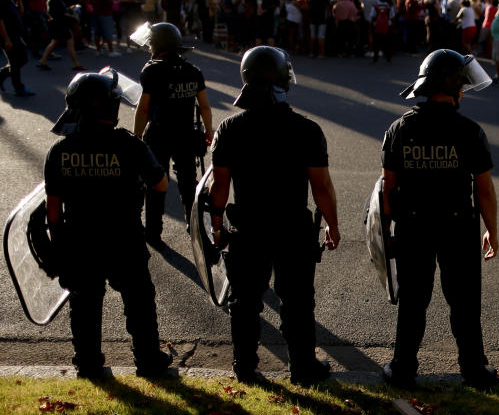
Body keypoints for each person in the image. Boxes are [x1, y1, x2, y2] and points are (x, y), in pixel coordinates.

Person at [209, 46, 340, 385]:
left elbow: (219, 185)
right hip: (292, 227)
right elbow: (321, 186)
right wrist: (332, 225)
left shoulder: (230, 128)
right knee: (297, 301)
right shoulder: (306, 129)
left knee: (245, 301)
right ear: (284, 81)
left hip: (248, 226)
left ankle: (245, 368)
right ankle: (303, 368)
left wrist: (216, 223)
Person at [381, 50, 499, 389]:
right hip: (458, 225)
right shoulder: (470, 131)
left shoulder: (399, 128)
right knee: (464, 302)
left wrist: (388, 232)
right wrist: (491, 231)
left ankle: (402, 369)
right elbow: (485, 191)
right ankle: (474, 369)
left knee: (413, 302)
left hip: (412, 225)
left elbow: (387, 189)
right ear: (455, 87)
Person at [45, 69, 173, 379]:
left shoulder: (60, 151)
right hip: (124, 238)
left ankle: (88, 364)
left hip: (79, 240)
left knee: (85, 304)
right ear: (110, 107)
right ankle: (148, 361)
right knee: (139, 301)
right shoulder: (129, 145)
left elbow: (52, 209)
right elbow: (161, 185)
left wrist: (58, 246)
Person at [133, 23, 212, 244]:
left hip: (159, 134)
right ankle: (194, 225)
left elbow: (144, 108)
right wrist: (208, 130)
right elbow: (204, 106)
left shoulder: (151, 70)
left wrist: (136, 137)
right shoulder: (193, 70)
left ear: (157, 45)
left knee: (156, 182)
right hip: (186, 134)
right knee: (189, 182)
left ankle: (153, 232)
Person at [36, 0, 84, 71]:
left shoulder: (55, 0)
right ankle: (76, 63)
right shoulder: (54, 1)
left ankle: (43, 60)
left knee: (55, 42)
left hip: (58, 24)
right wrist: (71, 16)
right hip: (60, 25)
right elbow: (59, 15)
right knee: (68, 42)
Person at [0, 0, 35, 96]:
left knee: (22, 59)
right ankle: (19, 88)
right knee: (15, 62)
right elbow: (0, 23)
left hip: (15, 35)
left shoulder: (9, 1)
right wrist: (6, 40)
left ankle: (2, 74)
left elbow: (20, 13)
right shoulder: (1, 2)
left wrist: (19, 0)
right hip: (7, 36)